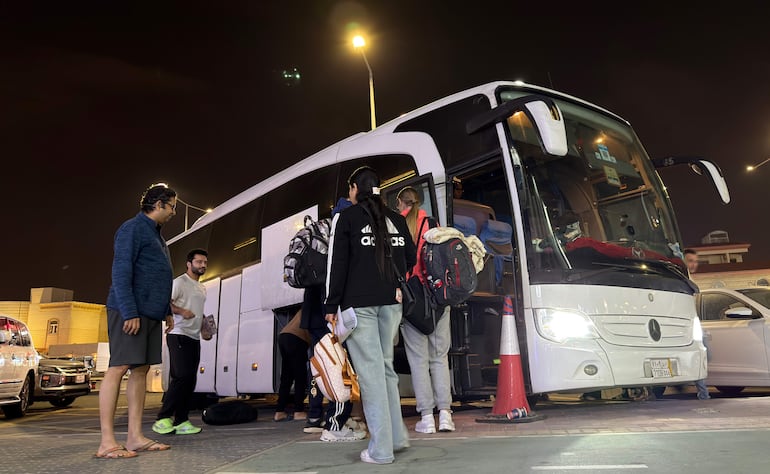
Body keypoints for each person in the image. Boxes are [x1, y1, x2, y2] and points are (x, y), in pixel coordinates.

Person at [325, 166, 416, 464]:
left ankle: (381, 450)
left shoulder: (347, 217)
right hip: (391, 303)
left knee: (371, 374)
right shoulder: (396, 219)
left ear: (354, 189)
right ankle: (397, 438)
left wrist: (330, 305)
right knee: (386, 369)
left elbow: (337, 265)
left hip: (359, 305)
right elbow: (410, 258)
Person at [95, 183, 176, 459]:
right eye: (172, 207)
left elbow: (158, 276)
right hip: (130, 312)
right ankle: (107, 442)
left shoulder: (156, 235)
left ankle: (135, 437)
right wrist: (129, 311)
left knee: (141, 370)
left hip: (150, 313)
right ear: (159, 204)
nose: (173, 212)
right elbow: (121, 272)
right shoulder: (132, 228)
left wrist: (166, 310)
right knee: (118, 367)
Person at [300, 196, 365, 441]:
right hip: (329, 314)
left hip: (313, 313)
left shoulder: (320, 233)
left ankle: (315, 417)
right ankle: (335, 424)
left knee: (320, 367)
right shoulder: (341, 234)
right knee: (337, 368)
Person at [396, 186, 455, 433]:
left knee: (418, 360)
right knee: (439, 357)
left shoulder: (397, 225)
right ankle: (446, 415)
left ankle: (427, 418)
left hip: (412, 301)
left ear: (400, 203)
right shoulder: (432, 224)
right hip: (438, 298)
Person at [152, 248, 209, 436]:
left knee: (190, 380)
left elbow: (198, 311)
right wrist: (181, 311)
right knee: (181, 376)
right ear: (189, 264)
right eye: (199, 262)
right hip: (178, 333)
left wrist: (204, 327)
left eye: (205, 262)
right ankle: (162, 418)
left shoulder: (202, 287)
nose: (202, 265)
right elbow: (165, 302)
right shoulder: (179, 282)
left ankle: (181, 421)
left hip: (194, 337)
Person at [274, 310, 311, 421]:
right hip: (297, 338)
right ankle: (298, 411)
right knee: (300, 377)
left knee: (287, 376)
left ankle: (279, 412)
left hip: (284, 336)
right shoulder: (319, 306)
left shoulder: (303, 309)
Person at [685, 248, 711, 400]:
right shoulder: (682, 278)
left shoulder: (689, 278)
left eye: (696, 261)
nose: (694, 264)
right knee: (700, 355)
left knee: (705, 355)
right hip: (686, 325)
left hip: (694, 324)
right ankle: (703, 393)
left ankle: (702, 391)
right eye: (690, 261)